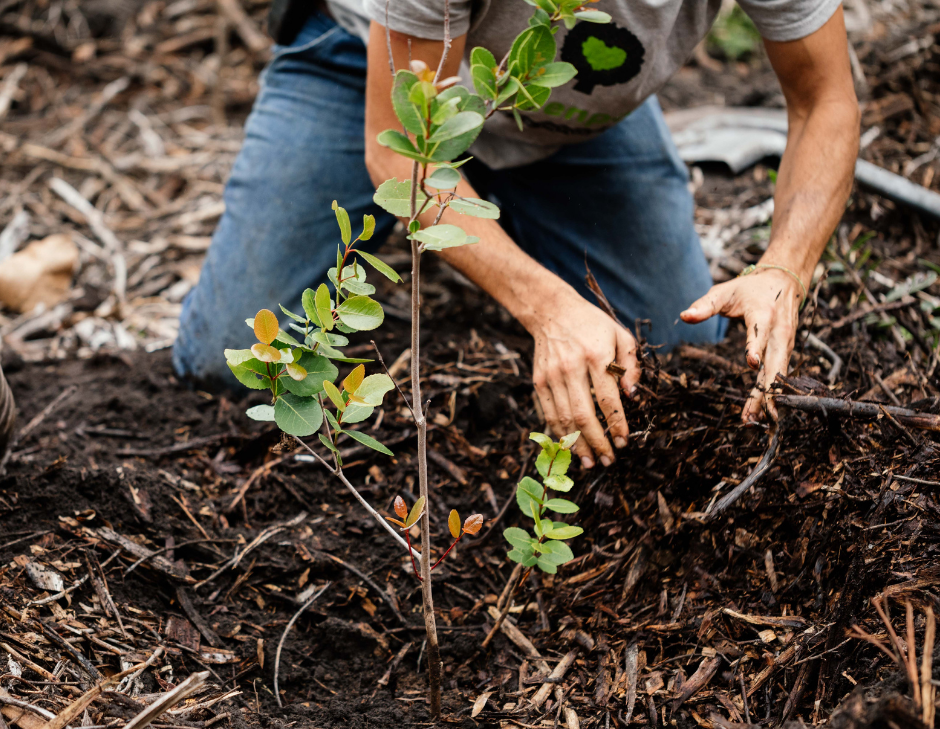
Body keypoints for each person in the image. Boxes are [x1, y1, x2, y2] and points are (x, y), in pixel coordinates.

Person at [173, 0, 859, 469]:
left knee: (676, 349)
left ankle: (493, 211)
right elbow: (408, 157)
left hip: (568, 114)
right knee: (233, 362)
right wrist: (547, 307)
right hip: (368, 70)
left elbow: (825, 98)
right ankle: (477, 226)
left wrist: (784, 268)